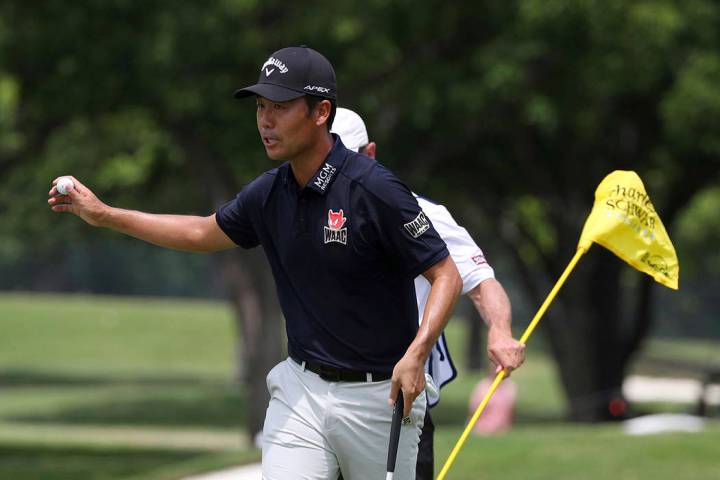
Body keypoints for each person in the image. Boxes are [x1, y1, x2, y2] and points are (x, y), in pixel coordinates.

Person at [47, 46, 462, 480]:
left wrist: (417, 354)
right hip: (301, 389)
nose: (265, 120)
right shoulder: (269, 193)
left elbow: (445, 274)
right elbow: (199, 232)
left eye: (280, 108)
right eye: (262, 107)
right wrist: (105, 214)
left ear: (321, 112)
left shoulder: (374, 189)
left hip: (379, 397)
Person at [331, 107, 525, 479]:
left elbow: (482, 282)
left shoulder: (422, 214)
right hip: (329, 400)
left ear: (369, 154)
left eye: (347, 159)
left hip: (403, 406)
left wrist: (500, 330)